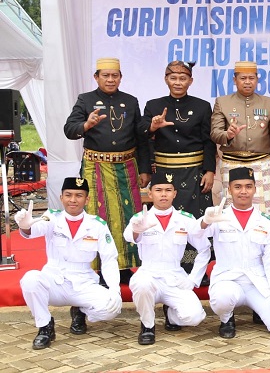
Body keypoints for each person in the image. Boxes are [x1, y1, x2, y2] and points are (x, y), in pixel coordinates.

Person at [64, 58, 150, 283]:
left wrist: (145, 169)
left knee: (128, 215)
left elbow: (140, 137)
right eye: (105, 75)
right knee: (98, 216)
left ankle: (125, 267)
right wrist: (86, 125)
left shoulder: (130, 101)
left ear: (120, 78)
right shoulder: (85, 100)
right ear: (96, 77)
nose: (110, 80)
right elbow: (69, 129)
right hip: (96, 168)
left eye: (115, 76)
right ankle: (102, 268)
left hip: (126, 167)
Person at [16, 178, 122, 350]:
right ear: (61, 197)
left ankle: (80, 310)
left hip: (84, 283)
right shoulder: (51, 217)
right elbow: (34, 230)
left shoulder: (97, 225)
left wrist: (115, 290)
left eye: (79, 195)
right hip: (54, 281)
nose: (73, 200)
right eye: (68, 195)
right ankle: (45, 326)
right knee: (30, 280)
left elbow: (109, 259)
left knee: (111, 308)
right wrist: (24, 225)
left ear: (87, 199)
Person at [143, 61, 216, 283]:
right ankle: (166, 266)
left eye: (183, 78)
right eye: (173, 78)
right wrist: (152, 127)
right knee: (166, 220)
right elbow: (141, 137)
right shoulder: (153, 106)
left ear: (190, 81)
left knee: (195, 222)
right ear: (166, 79)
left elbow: (209, 141)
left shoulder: (202, 106)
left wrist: (209, 170)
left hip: (194, 172)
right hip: (164, 172)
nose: (178, 82)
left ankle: (194, 267)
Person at [199, 167, 270, 338]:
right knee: (222, 298)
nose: (243, 191)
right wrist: (205, 222)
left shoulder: (265, 221)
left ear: (255, 189)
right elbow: (195, 235)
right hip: (228, 279)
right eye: (238, 187)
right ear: (229, 190)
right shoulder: (218, 217)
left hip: (256, 282)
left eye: (248, 186)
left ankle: (259, 309)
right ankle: (227, 318)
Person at [123, 171, 211, 345]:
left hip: (175, 276)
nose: (163, 194)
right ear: (150, 194)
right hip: (149, 273)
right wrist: (137, 230)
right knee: (141, 285)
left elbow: (204, 249)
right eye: (158, 190)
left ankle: (171, 315)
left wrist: (193, 279)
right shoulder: (140, 218)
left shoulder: (185, 219)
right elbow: (128, 236)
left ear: (175, 194)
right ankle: (147, 326)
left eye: (168, 190)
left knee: (195, 317)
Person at [210, 61, 270, 217]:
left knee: (264, 212)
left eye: (251, 78)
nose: (247, 82)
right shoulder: (222, 102)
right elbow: (215, 134)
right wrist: (227, 135)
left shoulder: (268, 103)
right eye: (243, 78)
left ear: (257, 79)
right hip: (231, 163)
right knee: (232, 212)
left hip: (262, 164)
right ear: (234, 80)